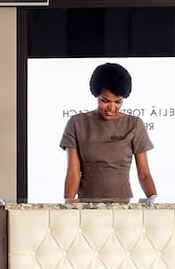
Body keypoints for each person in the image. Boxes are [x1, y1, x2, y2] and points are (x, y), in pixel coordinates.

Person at [61, 62, 158, 202]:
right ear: (96, 95)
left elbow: (144, 173)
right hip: (87, 205)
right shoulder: (76, 123)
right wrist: (68, 205)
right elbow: (73, 173)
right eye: (105, 101)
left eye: (118, 102)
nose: (111, 107)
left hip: (122, 207)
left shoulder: (134, 124)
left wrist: (153, 200)